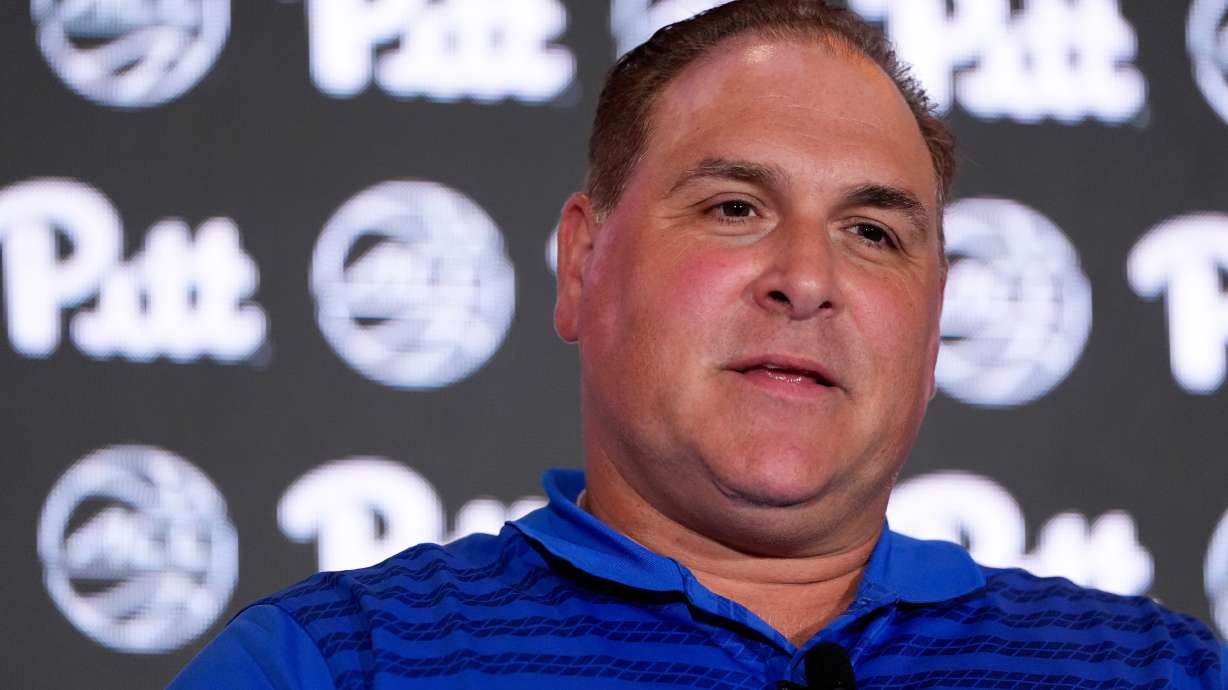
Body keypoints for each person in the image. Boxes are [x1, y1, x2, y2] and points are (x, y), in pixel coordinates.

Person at [168, 1, 1227, 688]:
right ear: (582, 262)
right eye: (732, 209)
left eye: (873, 232)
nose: (807, 279)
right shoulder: (333, 666)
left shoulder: (1158, 673)